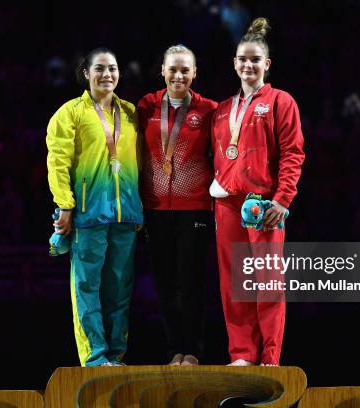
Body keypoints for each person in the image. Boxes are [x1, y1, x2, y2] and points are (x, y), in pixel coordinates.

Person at [211, 18, 305, 366]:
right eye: (242, 60)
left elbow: (293, 153)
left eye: (255, 60)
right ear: (234, 63)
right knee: (234, 286)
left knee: (267, 282)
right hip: (227, 205)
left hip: (263, 203)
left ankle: (269, 355)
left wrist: (282, 200)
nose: (248, 66)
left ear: (266, 64)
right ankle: (241, 354)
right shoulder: (222, 110)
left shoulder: (281, 101)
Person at [46, 47, 143, 367]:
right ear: (85, 73)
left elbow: (141, 162)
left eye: (113, 68)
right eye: (99, 68)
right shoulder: (70, 113)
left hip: (125, 213)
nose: (107, 75)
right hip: (88, 213)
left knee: (119, 291)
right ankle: (95, 356)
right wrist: (65, 205)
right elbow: (58, 161)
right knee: (87, 288)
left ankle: (115, 355)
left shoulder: (130, 113)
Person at [137, 45, 218, 366]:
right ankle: (174, 350)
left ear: (195, 73)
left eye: (185, 70)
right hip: (155, 207)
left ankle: (194, 350)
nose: (179, 75)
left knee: (191, 281)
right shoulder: (146, 106)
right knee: (165, 282)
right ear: (162, 71)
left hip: (194, 206)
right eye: (173, 69)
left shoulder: (209, 110)